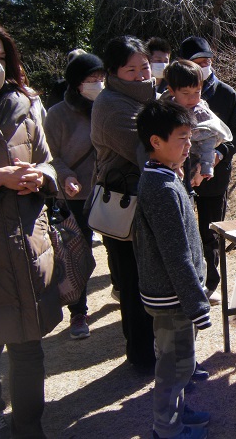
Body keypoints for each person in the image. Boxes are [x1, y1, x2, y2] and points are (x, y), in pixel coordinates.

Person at [0, 19, 62, 438]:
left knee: (29, 351)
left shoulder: (23, 107)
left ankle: (29, 428)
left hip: (26, 248)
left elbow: (48, 159)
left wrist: (42, 177)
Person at [135, 99, 211, 439]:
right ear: (156, 142)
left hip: (174, 293)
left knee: (181, 361)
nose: (188, 144)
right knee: (174, 366)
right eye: (181, 137)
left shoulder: (162, 175)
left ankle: (178, 412)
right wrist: (196, 303)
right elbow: (176, 254)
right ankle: (167, 428)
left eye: (189, 136)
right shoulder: (161, 188)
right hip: (173, 297)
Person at [90, 35, 157, 372]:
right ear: (114, 72)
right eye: (131, 69)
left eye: (144, 66)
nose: (141, 74)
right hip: (125, 209)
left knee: (150, 278)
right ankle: (142, 355)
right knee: (133, 282)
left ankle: (151, 346)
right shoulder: (111, 105)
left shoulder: (145, 99)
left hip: (145, 205)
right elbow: (148, 150)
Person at [179, 36, 236, 304]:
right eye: (198, 62)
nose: (204, 67)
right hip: (181, 173)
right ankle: (187, 280)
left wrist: (220, 154)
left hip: (215, 174)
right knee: (183, 230)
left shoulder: (225, 93)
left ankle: (211, 282)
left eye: (207, 62)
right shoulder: (169, 94)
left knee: (210, 229)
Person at [44, 52, 105, 339]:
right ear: (76, 83)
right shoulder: (57, 114)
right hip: (76, 195)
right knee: (78, 255)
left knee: (119, 250)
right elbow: (49, 157)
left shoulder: (108, 106)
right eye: (91, 79)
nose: (98, 84)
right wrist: (66, 175)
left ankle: (121, 288)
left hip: (109, 190)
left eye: (101, 78)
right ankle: (78, 313)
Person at [164, 59, 233, 184]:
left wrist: (206, 166)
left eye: (197, 92)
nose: (192, 98)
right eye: (185, 93)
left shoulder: (200, 112)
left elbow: (209, 140)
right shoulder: (164, 107)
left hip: (193, 164)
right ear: (172, 91)